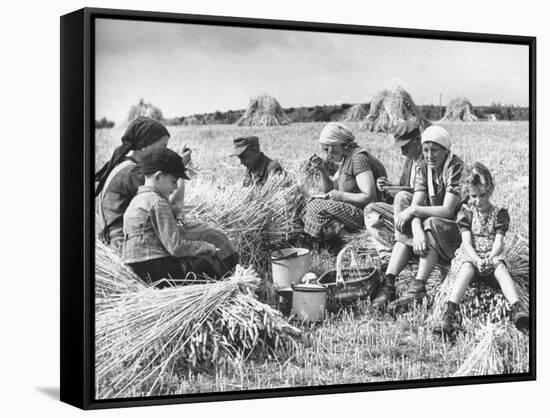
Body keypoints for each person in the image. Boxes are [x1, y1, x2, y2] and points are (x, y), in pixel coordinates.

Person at [372, 125, 464, 311]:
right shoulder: (423, 167)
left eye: (435, 150)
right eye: (426, 150)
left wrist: (415, 215)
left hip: (455, 228)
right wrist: (417, 230)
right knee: (402, 198)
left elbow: (447, 210)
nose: (430, 155)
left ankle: (418, 286)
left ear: (446, 151)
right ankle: (389, 282)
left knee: (429, 221)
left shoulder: (455, 167)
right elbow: (415, 203)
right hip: (431, 221)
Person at [433, 163, 529, 334]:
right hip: (472, 257)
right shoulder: (466, 214)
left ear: (490, 189)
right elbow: (467, 244)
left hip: (492, 256)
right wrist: (477, 260)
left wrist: (491, 258)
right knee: (466, 267)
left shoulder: (500, 214)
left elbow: (499, 242)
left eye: (482, 195)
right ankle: (449, 311)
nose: (478, 201)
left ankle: (516, 307)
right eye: (473, 196)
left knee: (501, 268)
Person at [121, 148, 238, 286]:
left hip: (137, 266)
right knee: (207, 266)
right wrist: (206, 247)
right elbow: (176, 247)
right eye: (173, 181)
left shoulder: (137, 201)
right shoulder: (157, 202)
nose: (176, 187)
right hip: (156, 267)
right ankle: (232, 286)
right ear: (158, 176)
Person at [95, 116, 191, 250]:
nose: (164, 151)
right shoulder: (134, 173)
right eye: (163, 146)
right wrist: (179, 168)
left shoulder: (123, 164)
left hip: (116, 239)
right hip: (124, 246)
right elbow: (174, 207)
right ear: (144, 145)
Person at [303, 122, 387, 242]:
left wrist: (341, 196)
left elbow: (370, 198)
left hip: (368, 213)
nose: (327, 155)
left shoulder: (358, 158)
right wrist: (322, 169)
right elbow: (330, 190)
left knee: (315, 206)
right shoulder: (345, 160)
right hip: (354, 210)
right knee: (306, 204)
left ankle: (350, 240)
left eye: (327, 149)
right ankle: (339, 240)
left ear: (338, 144)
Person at [364, 120, 424, 258]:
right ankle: (387, 255)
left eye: (406, 147)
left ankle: (402, 244)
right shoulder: (410, 161)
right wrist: (387, 188)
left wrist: (400, 192)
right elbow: (403, 187)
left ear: (418, 140)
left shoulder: (429, 160)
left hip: (421, 209)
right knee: (371, 209)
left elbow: (423, 194)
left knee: (401, 196)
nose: (403, 152)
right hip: (404, 208)